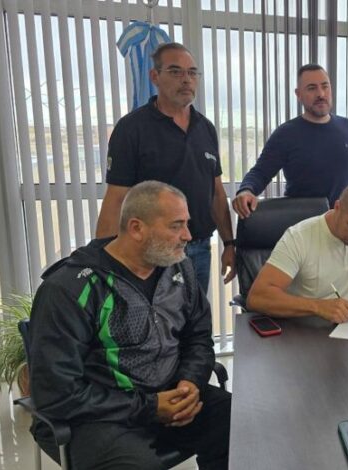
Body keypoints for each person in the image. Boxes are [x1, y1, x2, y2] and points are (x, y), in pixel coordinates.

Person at [29, 181, 230, 469]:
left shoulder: (180, 269)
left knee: (241, 426)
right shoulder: (70, 289)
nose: (188, 235)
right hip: (99, 417)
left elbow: (198, 337)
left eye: (187, 224)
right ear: (136, 228)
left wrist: (189, 382)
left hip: (168, 395)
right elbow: (57, 393)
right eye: (176, 226)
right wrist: (150, 407)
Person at [95, 42, 235, 291]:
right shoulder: (132, 129)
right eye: (175, 71)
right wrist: (101, 261)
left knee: (196, 315)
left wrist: (230, 244)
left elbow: (216, 192)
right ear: (155, 76)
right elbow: (116, 199)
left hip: (198, 249)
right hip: (151, 252)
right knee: (152, 315)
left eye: (192, 72)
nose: (186, 79)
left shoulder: (205, 128)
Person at [247, 182, 348, 323]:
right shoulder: (299, 237)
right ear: (337, 207)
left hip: (347, 329)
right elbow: (257, 297)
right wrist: (317, 306)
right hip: (300, 330)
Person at [232, 64, 348, 218]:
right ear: (298, 95)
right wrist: (246, 190)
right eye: (312, 88)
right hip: (303, 226)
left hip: (345, 225)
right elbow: (260, 172)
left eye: (325, 86)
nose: (321, 94)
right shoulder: (286, 134)